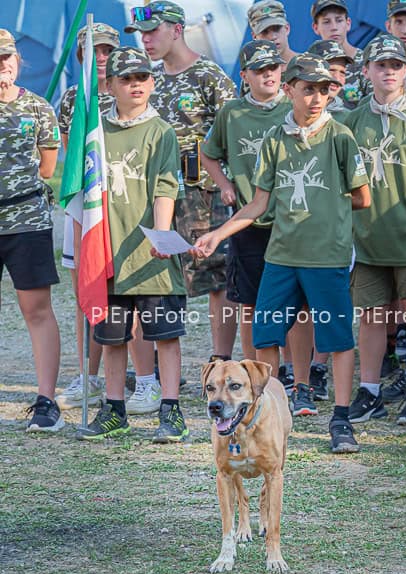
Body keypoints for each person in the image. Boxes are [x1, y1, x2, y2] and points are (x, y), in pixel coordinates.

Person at [193, 54, 371, 454]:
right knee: (266, 336)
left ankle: (341, 420)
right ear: (289, 90)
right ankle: (267, 409)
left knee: (338, 339)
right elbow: (258, 204)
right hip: (282, 256)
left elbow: (362, 197)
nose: (317, 97)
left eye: (324, 90)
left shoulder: (340, 137)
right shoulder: (275, 138)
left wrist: (325, 214)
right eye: (308, 89)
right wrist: (219, 233)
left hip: (327, 257)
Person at [76, 46, 187, 443]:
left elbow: (165, 187)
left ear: (153, 82)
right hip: (108, 251)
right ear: (109, 85)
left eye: (143, 77)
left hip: (150, 253)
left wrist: (159, 235)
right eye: (126, 78)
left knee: (165, 335)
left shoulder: (161, 131)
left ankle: (171, 410)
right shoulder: (95, 134)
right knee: (112, 337)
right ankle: (115, 409)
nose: (136, 84)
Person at [127, 1, 238, 369]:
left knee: (215, 277)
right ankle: (157, 363)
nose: (146, 39)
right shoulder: (149, 78)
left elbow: (233, 138)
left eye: (153, 30)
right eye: (142, 33)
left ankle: (219, 360)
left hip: (203, 192)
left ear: (177, 30)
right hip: (157, 193)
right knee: (155, 277)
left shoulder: (210, 76)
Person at [344, 34, 406, 425]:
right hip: (367, 238)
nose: (388, 72)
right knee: (370, 315)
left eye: (395, 65)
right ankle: (369, 390)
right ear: (366, 70)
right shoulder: (352, 120)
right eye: (380, 65)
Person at [200, 41, 291, 366]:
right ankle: (255, 369)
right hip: (247, 221)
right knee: (250, 301)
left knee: (294, 301)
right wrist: (224, 185)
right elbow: (208, 154)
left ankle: (296, 372)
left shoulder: (294, 107)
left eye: (273, 68)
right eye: (259, 70)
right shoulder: (233, 112)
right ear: (245, 76)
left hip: (291, 221)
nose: (268, 74)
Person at [0, 29, 62, 433]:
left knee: (36, 310)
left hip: (26, 222)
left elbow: (47, 168)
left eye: (6, 59)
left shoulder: (39, 109)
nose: (1, 67)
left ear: (17, 61)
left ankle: (46, 400)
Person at [55, 22, 118, 411]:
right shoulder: (73, 99)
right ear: (80, 56)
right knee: (87, 290)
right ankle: (88, 374)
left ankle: (135, 374)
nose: (100, 58)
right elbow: (70, 158)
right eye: (93, 51)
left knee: (125, 297)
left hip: (122, 201)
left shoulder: (133, 87)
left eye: (107, 50)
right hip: (88, 205)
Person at [311, 0, 364, 108]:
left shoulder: (366, 61)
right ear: (316, 28)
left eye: (339, 20)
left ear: (348, 23)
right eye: (326, 22)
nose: (334, 27)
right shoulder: (310, 63)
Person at [247, 1, 298, 65]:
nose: (273, 37)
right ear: (255, 37)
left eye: (277, 28)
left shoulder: (311, 65)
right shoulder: (252, 73)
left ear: (287, 28)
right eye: (264, 31)